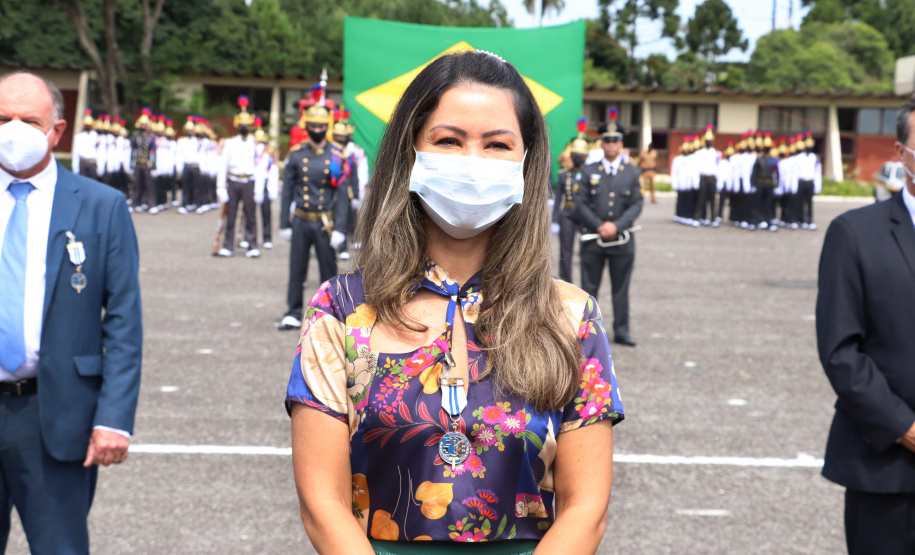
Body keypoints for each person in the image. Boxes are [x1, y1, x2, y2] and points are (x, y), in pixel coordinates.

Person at [286, 50, 622, 554]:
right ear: (410, 152)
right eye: (448, 140)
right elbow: (323, 505)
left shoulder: (571, 314)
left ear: (527, 162)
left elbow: (586, 510)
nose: (472, 161)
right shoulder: (341, 309)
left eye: (497, 144)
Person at [0, 72, 142, 554]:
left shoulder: (102, 207)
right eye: (2, 119)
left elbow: (123, 319)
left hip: (55, 413)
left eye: (28, 120)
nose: (13, 129)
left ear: (56, 131)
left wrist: (114, 418)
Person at [816, 94, 915, 554]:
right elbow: (841, 350)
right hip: (889, 466)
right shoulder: (856, 233)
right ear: (901, 152)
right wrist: (904, 426)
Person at [277, 97, 349, 331]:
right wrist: (283, 224)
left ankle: (329, 315)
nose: (316, 130)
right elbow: (287, 190)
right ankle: (293, 312)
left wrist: (340, 228)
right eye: (313, 126)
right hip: (300, 220)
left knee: (329, 272)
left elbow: (342, 196)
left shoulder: (336, 156)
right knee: (296, 268)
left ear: (327, 127)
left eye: (321, 126)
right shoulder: (297, 154)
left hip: (324, 222)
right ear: (306, 126)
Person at [575, 116, 643, 347]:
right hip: (594, 239)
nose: (612, 144)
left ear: (621, 143)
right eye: (607, 140)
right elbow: (580, 202)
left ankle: (622, 331)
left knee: (620, 289)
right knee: (588, 290)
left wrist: (617, 226)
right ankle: (586, 332)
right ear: (601, 143)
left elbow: (636, 204)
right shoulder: (588, 171)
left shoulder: (632, 173)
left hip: (622, 241)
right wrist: (599, 225)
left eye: (616, 140)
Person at [216, 96, 260, 258]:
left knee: (250, 215)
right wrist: (220, 187)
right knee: (231, 215)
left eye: (247, 125)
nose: (244, 127)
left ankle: (252, 245)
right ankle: (228, 245)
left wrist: (259, 186)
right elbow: (222, 166)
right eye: (242, 125)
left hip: (248, 181)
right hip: (233, 181)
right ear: (237, 126)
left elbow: (259, 165)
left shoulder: (255, 142)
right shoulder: (229, 143)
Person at [551, 119, 588, 283]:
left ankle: (587, 283)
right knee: (565, 252)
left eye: (580, 155)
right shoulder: (563, 175)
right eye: (575, 155)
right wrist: (554, 220)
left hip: (586, 215)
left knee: (588, 250)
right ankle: (566, 282)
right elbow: (558, 198)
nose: (577, 158)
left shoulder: (590, 175)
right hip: (567, 213)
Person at [129, 108, 157, 213]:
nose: (143, 126)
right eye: (142, 124)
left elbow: (154, 152)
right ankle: (135, 203)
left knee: (149, 185)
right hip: (137, 163)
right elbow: (132, 151)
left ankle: (151, 204)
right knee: (136, 184)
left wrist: (154, 165)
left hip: (147, 164)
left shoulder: (151, 138)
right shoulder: (135, 137)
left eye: (145, 125)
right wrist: (131, 164)